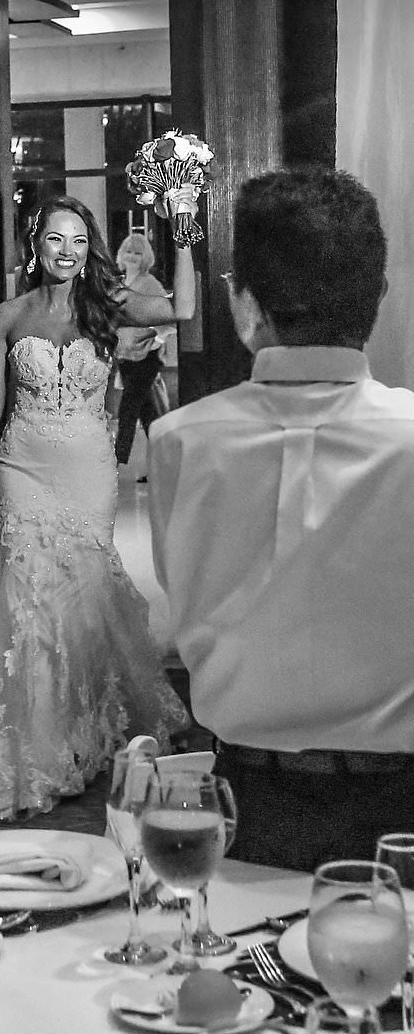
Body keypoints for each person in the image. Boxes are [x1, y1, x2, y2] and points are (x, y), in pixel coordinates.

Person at [150, 168, 414, 872]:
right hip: (400, 813)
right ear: (378, 298)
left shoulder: (179, 441)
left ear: (244, 303)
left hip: (240, 802)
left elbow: (184, 605)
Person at [0, 196, 193, 820]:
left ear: (90, 250)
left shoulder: (108, 307)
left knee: (81, 602)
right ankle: (32, 754)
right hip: (21, 465)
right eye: (55, 240)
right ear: (36, 244)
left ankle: (86, 737)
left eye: (78, 242)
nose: (66, 252)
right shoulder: (10, 313)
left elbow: (187, 309)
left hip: (87, 467)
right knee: (26, 604)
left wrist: (187, 226)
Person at [110, 233, 172, 469]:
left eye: (138, 252)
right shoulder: (122, 285)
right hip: (126, 357)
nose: (132, 256)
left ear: (145, 256)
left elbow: (168, 318)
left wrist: (157, 339)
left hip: (145, 358)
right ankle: (168, 461)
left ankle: (117, 463)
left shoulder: (150, 284)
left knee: (127, 410)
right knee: (148, 416)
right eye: (129, 251)